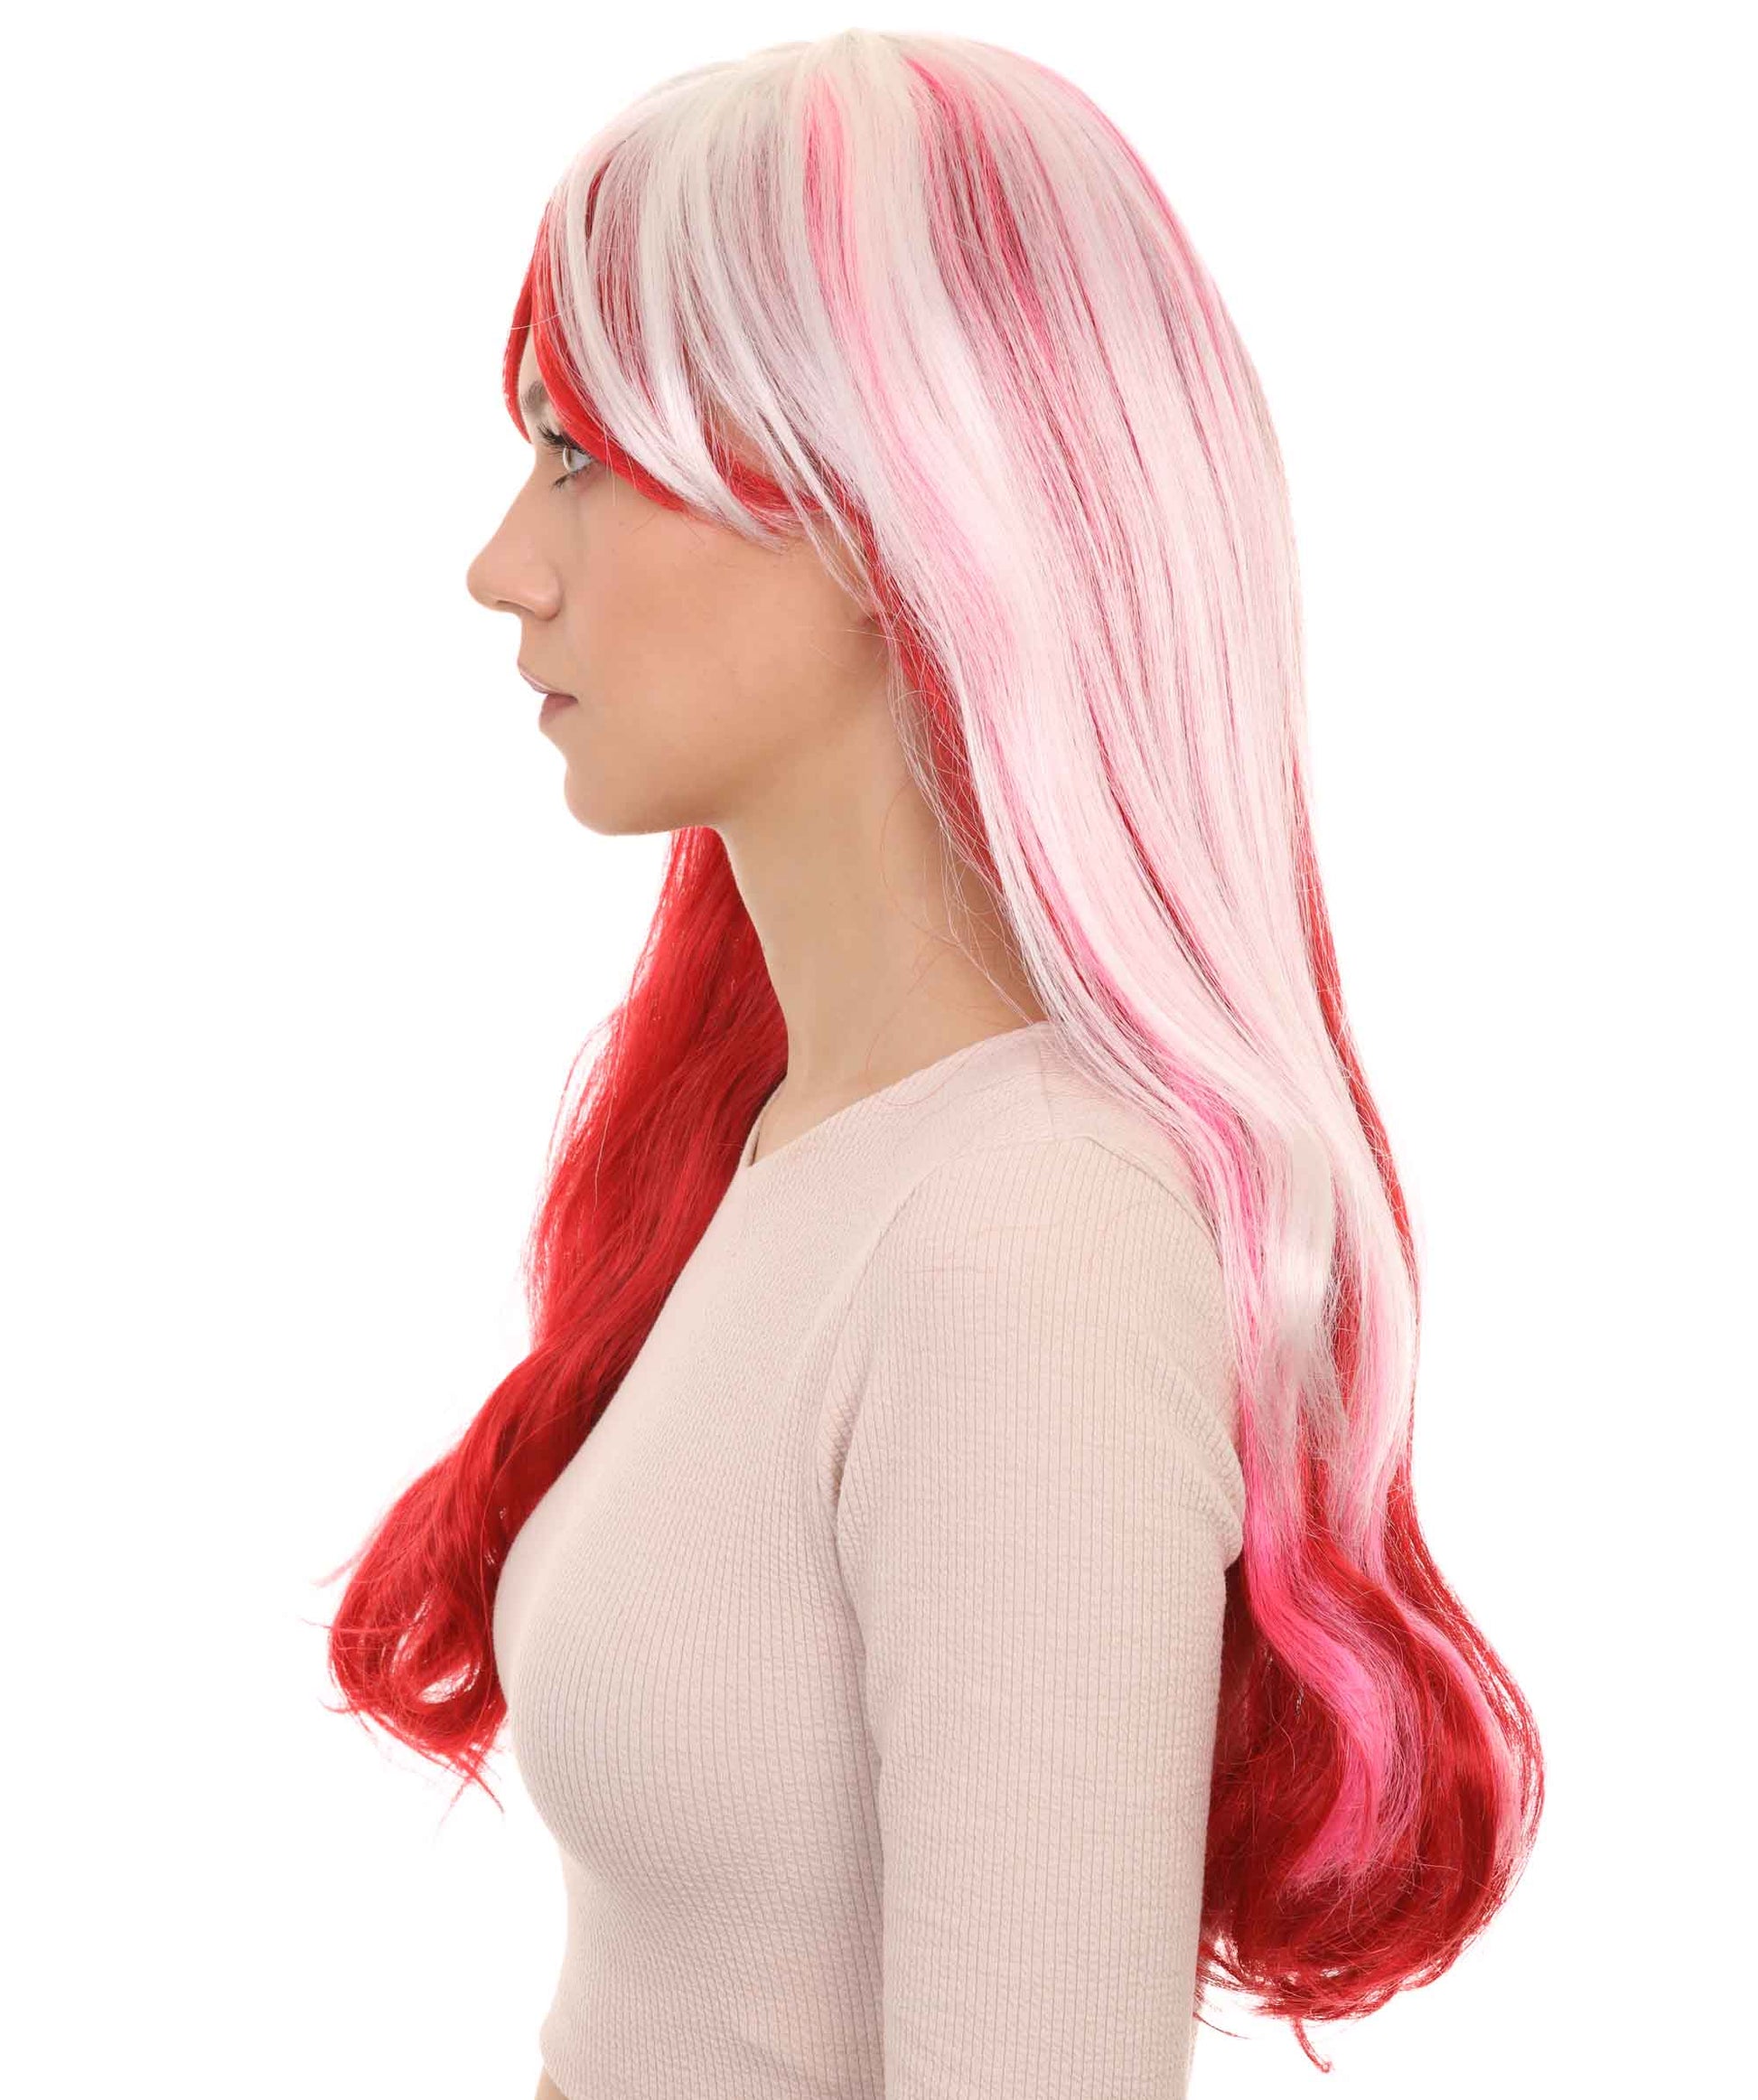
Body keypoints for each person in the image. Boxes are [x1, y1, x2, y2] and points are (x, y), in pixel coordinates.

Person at [323, 30, 1544, 2098]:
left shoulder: (1027, 1237)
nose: (503, 564)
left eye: (577, 455)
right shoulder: (812, 1151)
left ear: (887, 506)